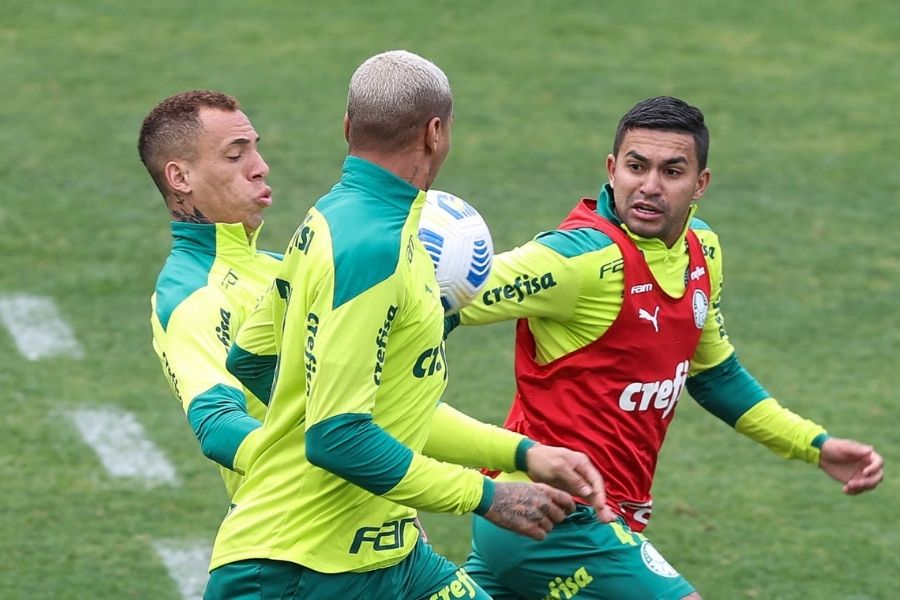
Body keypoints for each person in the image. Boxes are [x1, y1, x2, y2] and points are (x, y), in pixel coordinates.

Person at [205, 50, 613, 600]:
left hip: (390, 558)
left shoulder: (333, 219)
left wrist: (522, 454)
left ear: (348, 127)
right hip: (298, 570)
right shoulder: (373, 248)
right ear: (435, 133)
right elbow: (337, 436)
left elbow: (254, 362)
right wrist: (487, 496)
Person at [446, 96, 885, 600]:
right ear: (613, 170)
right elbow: (444, 296)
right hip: (554, 513)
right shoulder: (576, 261)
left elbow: (715, 374)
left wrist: (815, 445)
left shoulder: (702, 249)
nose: (650, 186)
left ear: (701, 183)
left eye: (672, 171)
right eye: (636, 167)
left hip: (582, 521)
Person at [139, 90, 279, 498]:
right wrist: (353, 467)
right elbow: (218, 427)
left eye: (255, 150)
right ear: (180, 179)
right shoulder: (192, 295)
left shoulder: (285, 267)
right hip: (297, 546)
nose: (260, 168)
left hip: (378, 534)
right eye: (236, 156)